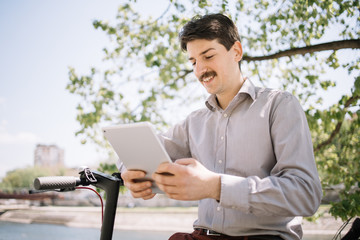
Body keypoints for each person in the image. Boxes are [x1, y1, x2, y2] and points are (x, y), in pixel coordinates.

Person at [120, 13, 322, 240]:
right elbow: (139, 149)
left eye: (208, 56)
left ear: (236, 51)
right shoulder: (194, 122)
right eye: (194, 61)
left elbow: (306, 194)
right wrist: (129, 173)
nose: (200, 70)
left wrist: (216, 186)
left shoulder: (280, 105)